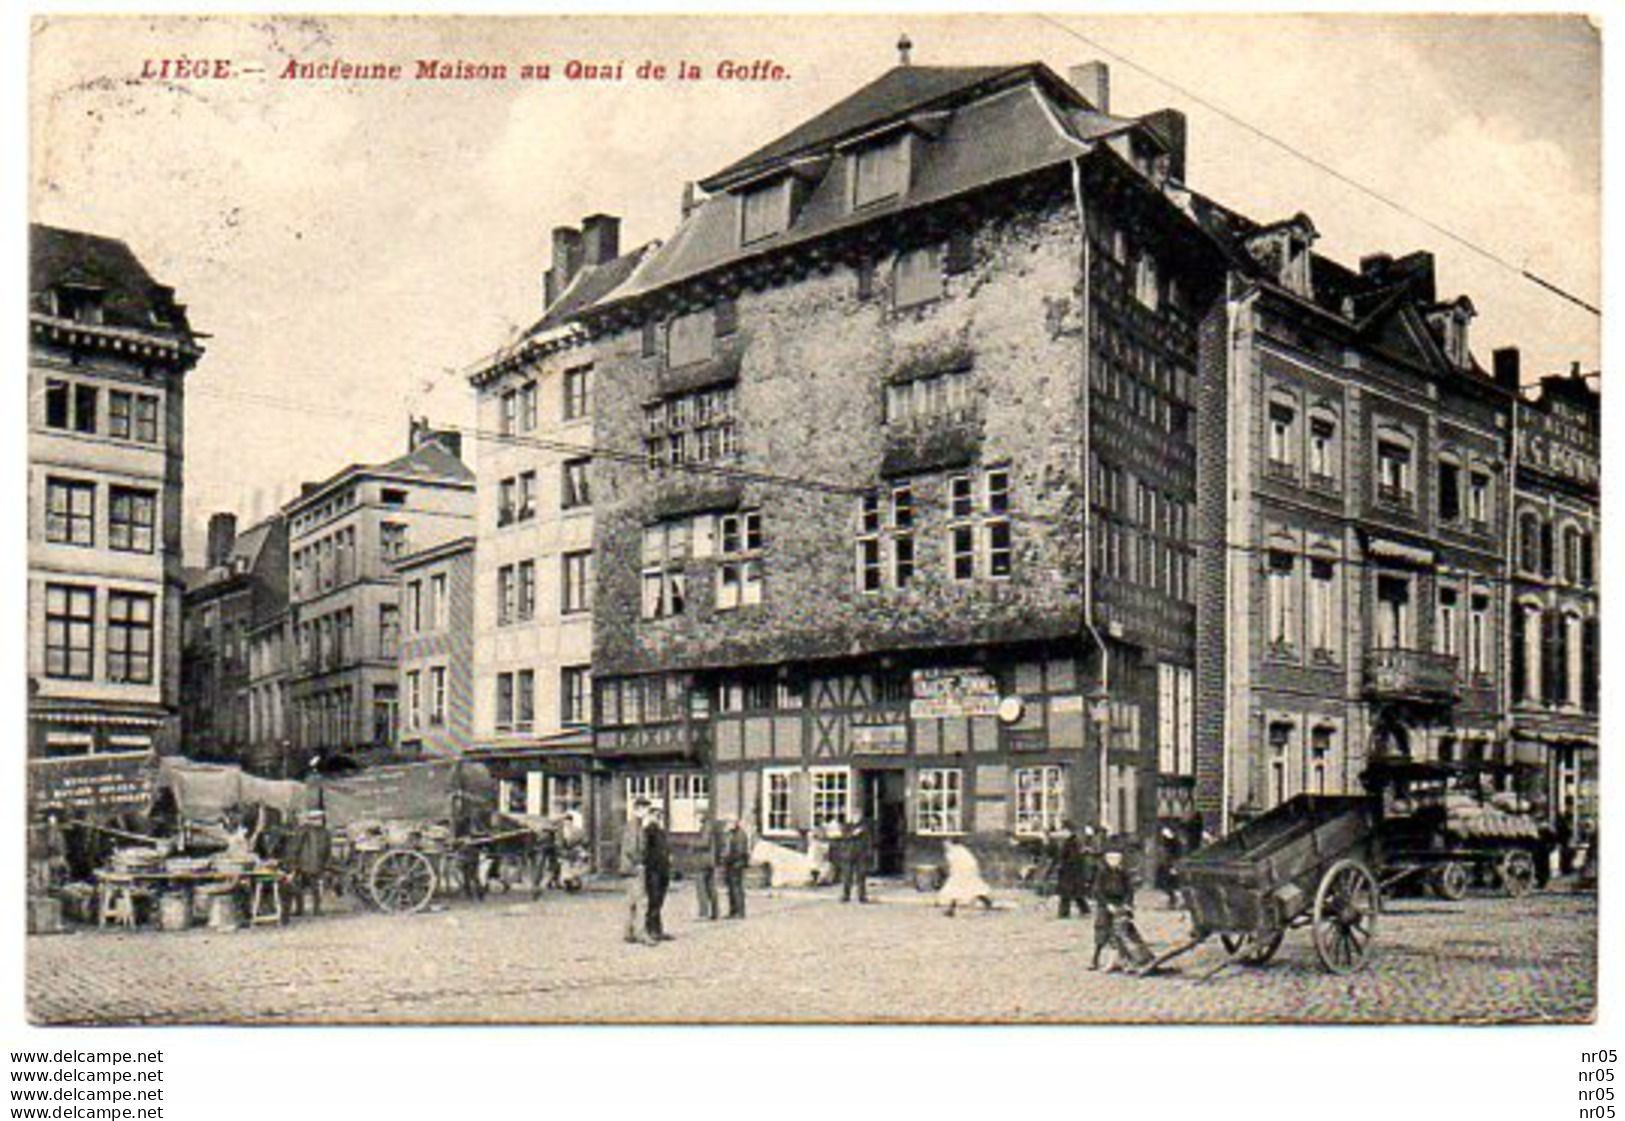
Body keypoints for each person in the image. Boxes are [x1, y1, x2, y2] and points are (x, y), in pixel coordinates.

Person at [1091, 847, 1150, 971]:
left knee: (1123, 932)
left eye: (1118, 858)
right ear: (1106, 859)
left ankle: (1124, 959)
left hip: (1120, 903)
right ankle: (1095, 959)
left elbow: (1129, 890)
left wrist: (1127, 903)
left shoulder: (1123, 873)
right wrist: (1107, 904)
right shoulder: (1102, 873)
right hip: (1106, 904)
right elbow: (1097, 891)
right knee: (1102, 931)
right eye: (1112, 858)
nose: (1115, 861)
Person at [286, 810, 332, 918]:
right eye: (316, 819)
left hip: (317, 864)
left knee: (315, 887)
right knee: (299, 887)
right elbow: (296, 847)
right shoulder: (303, 831)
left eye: (320, 819)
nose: (319, 821)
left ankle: (316, 909)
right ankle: (299, 909)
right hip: (304, 863)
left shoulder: (325, 832)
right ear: (311, 820)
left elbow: (328, 849)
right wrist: (294, 863)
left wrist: (327, 863)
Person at [620, 801, 654, 944]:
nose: (647, 812)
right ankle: (641, 933)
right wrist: (639, 862)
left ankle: (628, 932)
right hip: (635, 868)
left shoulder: (632, 825)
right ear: (638, 809)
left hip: (628, 868)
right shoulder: (635, 826)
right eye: (646, 809)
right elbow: (632, 848)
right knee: (642, 902)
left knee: (632, 902)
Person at [938, 839, 994, 917]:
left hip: (964, 874)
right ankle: (951, 909)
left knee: (966, 890)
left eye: (945, 845)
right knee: (957, 891)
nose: (944, 847)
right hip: (963, 874)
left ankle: (987, 902)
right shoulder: (959, 850)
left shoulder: (954, 852)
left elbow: (956, 864)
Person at [643, 805, 673, 942]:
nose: (657, 819)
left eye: (659, 816)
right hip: (653, 870)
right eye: (655, 816)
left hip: (663, 870)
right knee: (653, 901)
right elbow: (645, 851)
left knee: (659, 901)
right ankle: (650, 930)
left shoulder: (661, 832)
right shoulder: (648, 832)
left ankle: (658, 929)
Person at [1054, 822, 1090, 919]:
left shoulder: (1073, 843)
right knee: (1075, 894)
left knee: (1068, 894)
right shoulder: (1070, 842)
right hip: (1070, 872)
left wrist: (1063, 864)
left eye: (1064, 831)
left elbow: (1074, 858)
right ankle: (1084, 910)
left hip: (1071, 872)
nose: (1062, 833)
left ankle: (1064, 913)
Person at [695, 810, 723, 920]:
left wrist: (692, 843)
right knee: (711, 887)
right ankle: (715, 912)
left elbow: (704, 842)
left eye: (698, 815)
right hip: (711, 860)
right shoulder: (714, 826)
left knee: (701, 886)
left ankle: (704, 912)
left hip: (704, 860)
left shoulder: (706, 827)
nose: (697, 817)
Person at [838, 812, 871, 903]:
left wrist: (868, 852)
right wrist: (853, 833)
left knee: (861, 876)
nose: (856, 818)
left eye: (858, 816)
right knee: (847, 876)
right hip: (849, 854)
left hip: (861, 854)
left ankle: (862, 896)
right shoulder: (847, 826)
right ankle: (846, 895)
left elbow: (868, 840)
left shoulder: (864, 828)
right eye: (855, 816)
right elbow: (844, 837)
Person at [722, 817, 750, 919]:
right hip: (733, 863)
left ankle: (739, 911)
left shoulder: (739, 835)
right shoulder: (733, 834)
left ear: (735, 823)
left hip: (736, 864)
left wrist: (728, 859)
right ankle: (734, 911)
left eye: (729, 823)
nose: (727, 825)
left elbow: (739, 852)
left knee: (736, 888)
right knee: (732, 888)